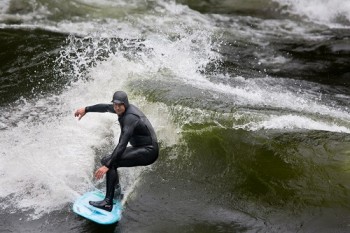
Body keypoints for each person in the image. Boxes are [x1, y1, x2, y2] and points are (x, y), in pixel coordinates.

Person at [74, 91, 159, 212]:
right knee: (106, 160)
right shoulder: (120, 109)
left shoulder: (130, 118)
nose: (117, 108)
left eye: (120, 105)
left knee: (110, 163)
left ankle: (107, 203)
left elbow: (122, 144)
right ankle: (117, 191)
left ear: (125, 104)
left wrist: (107, 166)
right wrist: (86, 109)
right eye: (115, 104)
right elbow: (105, 107)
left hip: (149, 151)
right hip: (140, 147)